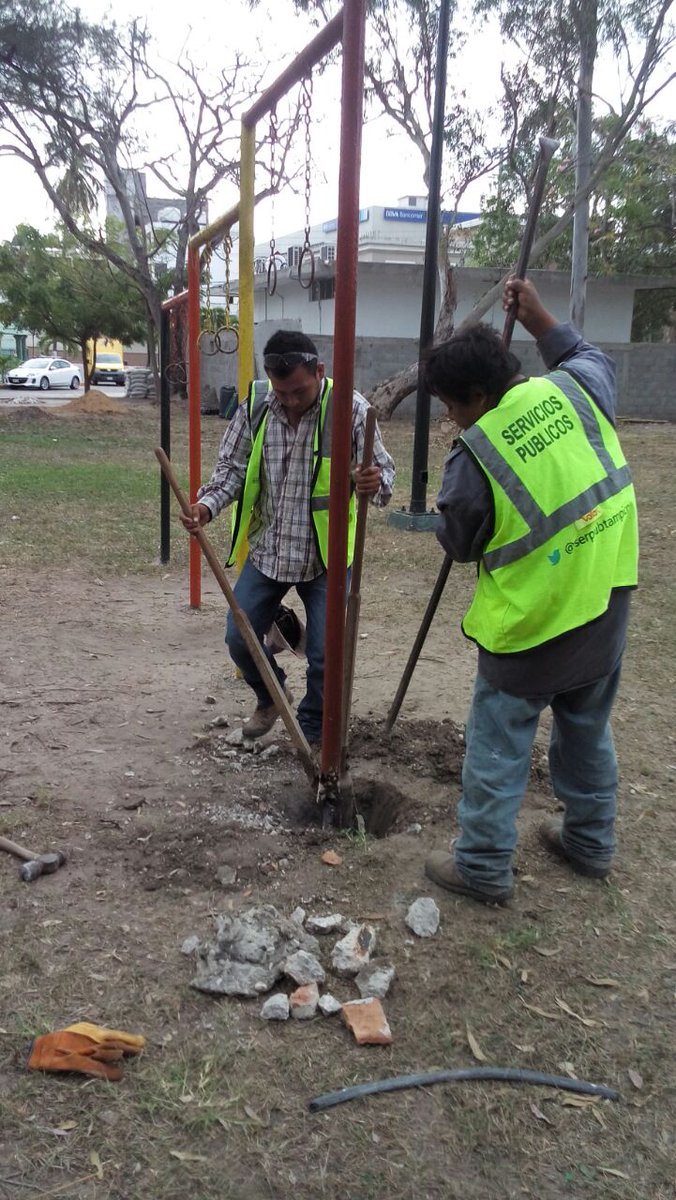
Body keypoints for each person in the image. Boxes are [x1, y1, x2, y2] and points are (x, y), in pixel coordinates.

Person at [422, 277, 639, 906]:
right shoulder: (572, 390)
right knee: (587, 730)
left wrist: (445, 507)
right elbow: (588, 357)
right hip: (605, 600)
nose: (450, 418)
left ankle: (485, 866)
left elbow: (459, 541)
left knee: (497, 744)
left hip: (532, 626)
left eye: (452, 406)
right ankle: (591, 843)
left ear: (479, 396)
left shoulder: (475, 455)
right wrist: (543, 319)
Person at [181, 329, 395, 745]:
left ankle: (314, 732)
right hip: (270, 551)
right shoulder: (257, 406)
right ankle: (272, 694)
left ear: (319, 371)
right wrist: (206, 506)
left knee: (326, 655)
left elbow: (383, 477)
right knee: (238, 639)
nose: (291, 401)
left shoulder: (349, 410)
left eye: (299, 391)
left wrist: (371, 480)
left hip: (326, 556)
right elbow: (232, 470)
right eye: (283, 393)